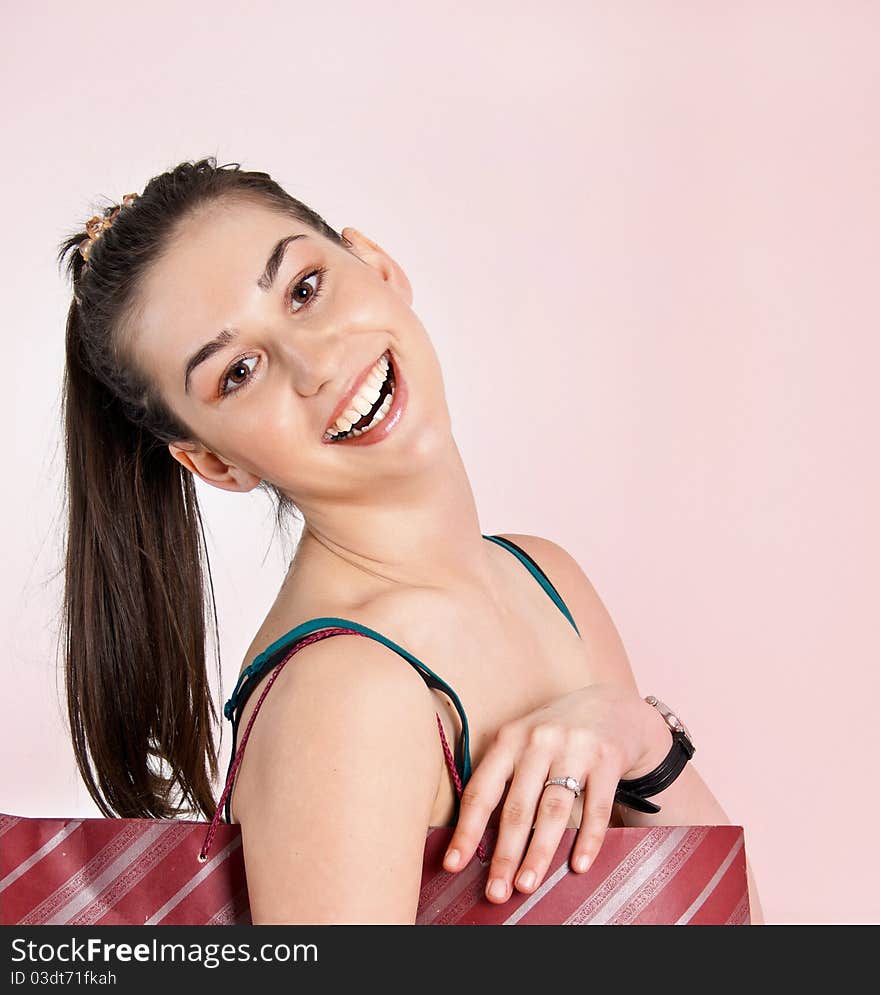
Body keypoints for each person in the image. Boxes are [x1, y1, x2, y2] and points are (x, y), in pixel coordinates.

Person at [57, 157, 763, 924]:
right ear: (214, 462)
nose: (315, 362)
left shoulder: (544, 579)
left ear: (378, 264)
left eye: (303, 289)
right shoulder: (346, 698)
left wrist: (642, 737)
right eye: (239, 371)